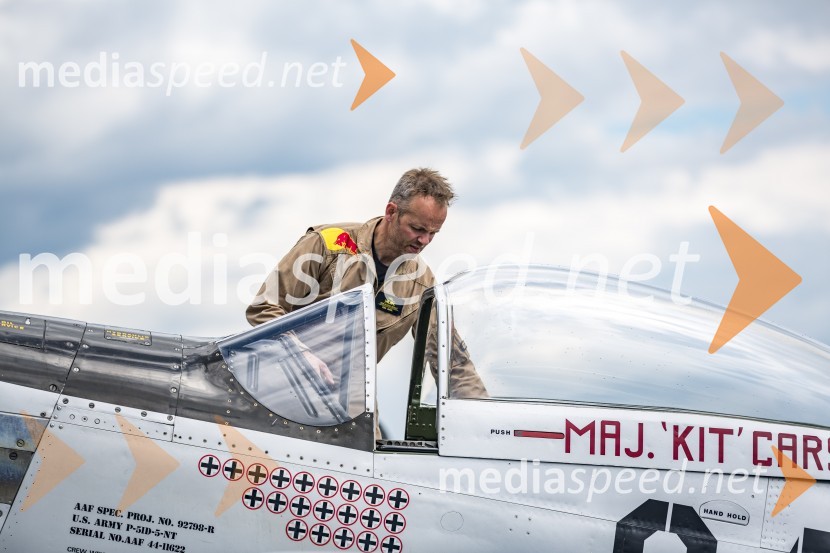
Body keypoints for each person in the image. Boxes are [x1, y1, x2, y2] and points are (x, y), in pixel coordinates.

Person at [246, 167, 487, 403]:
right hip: (283, 395)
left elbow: (452, 360)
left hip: (352, 405)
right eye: (417, 229)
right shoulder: (328, 245)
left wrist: (485, 415)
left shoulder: (421, 284)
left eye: (434, 233)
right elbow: (263, 308)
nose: (424, 240)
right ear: (391, 212)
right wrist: (300, 355)